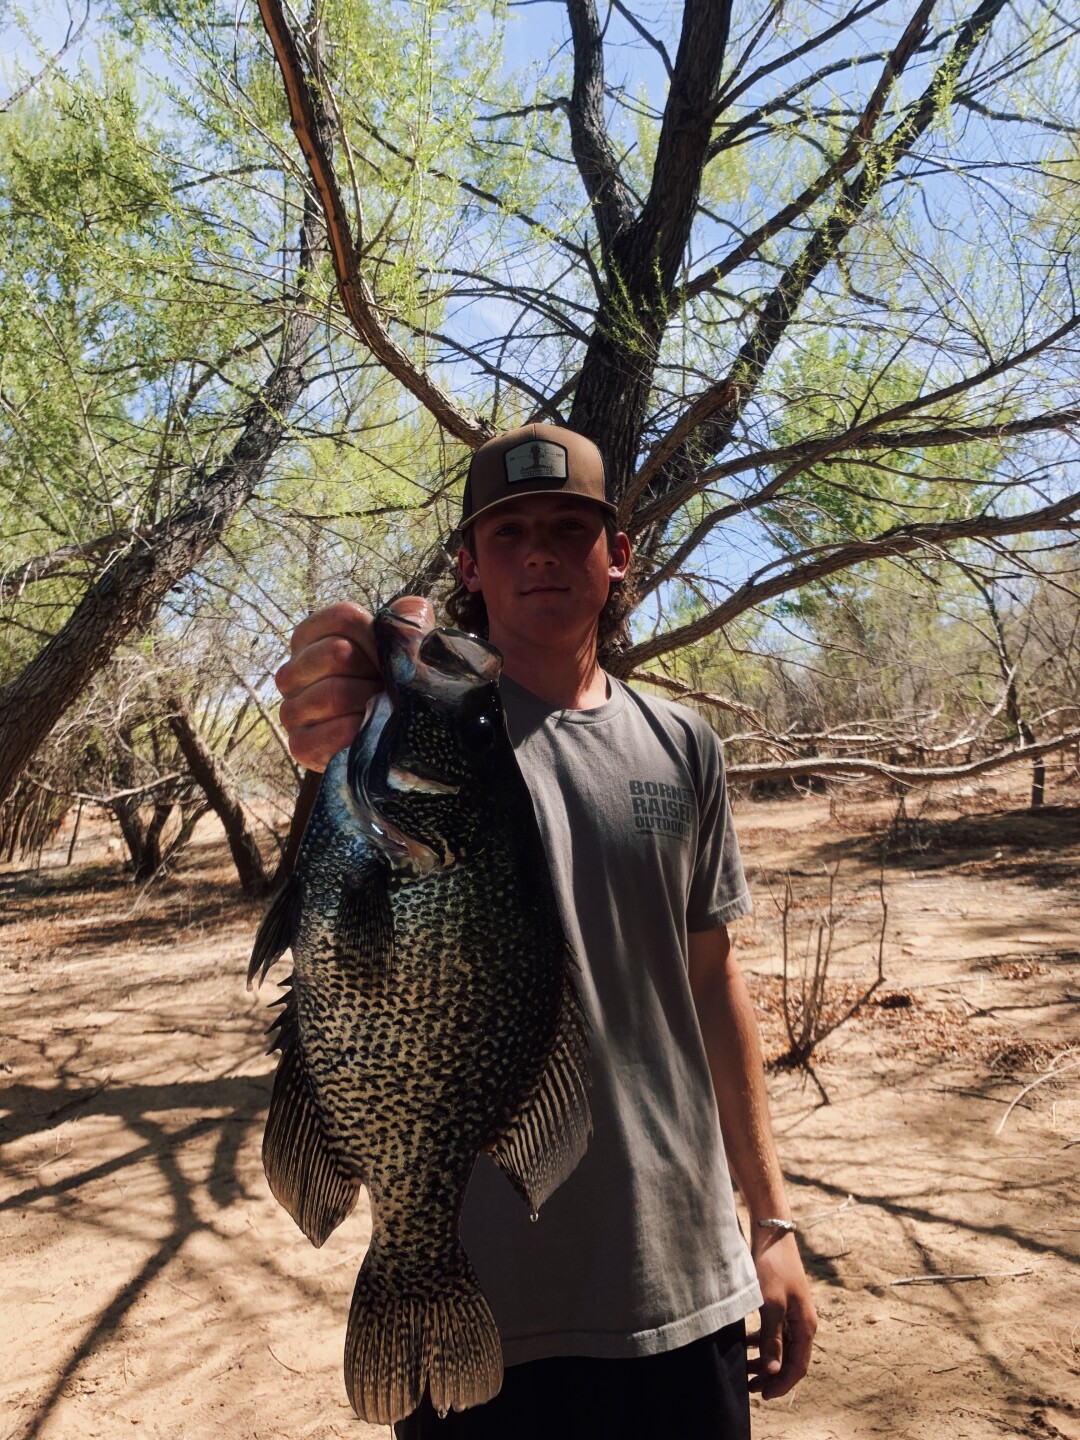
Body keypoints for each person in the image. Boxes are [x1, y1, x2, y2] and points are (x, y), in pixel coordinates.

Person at [276, 424, 817, 1438]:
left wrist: (773, 1222)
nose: (540, 552)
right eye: (510, 530)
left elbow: (712, 983)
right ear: (471, 568)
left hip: (681, 1278)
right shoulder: (404, 724)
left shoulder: (683, 745)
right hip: (483, 1289)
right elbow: (334, 727)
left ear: (617, 559)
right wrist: (331, 702)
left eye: (571, 529)